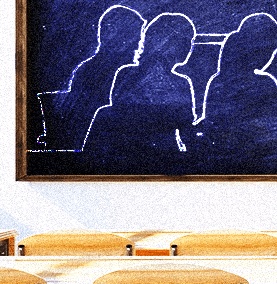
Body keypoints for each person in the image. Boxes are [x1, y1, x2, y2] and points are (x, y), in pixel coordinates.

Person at [196, 12, 277, 173]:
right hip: (265, 166)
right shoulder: (262, 83)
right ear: (258, 50)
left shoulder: (217, 81)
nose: (272, 56)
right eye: (272, 50)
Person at [84, 13, 197, 173]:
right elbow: (186, 126)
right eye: (186, 40)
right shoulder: (180, 83)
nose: (189, 46)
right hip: (160, 158)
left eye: (191, 40)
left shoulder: (125, 73)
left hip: (126, 155)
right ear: (167, 42)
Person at [36, 5, 145, 151]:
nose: (139, 46)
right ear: (113, 35)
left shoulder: (90, 67)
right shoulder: (113, 72)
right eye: (134, 38)